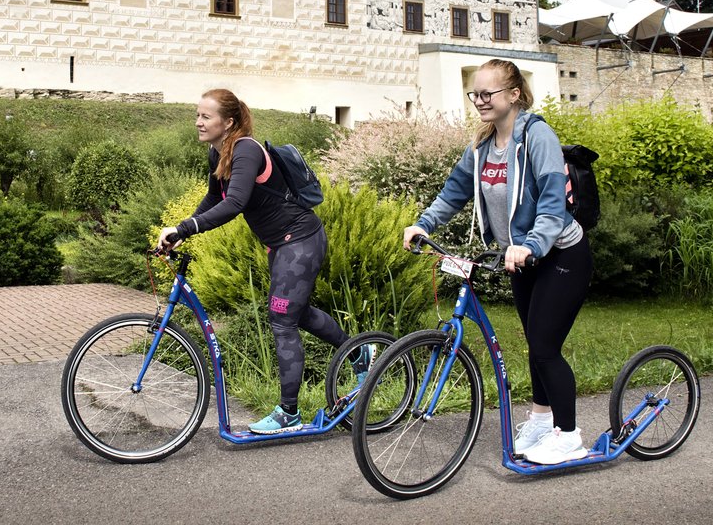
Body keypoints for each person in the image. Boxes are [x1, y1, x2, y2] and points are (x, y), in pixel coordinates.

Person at [402, 59, 593, 465]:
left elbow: (552, 202)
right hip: (521, 260)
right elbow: (453, 192)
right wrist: (423, 223)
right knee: (536, 343)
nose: (480, 101)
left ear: (514, 94)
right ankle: (542, 421)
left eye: (487, 93)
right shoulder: (483, 146)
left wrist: (531, 245)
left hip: (560, 254)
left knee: (544, 347)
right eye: (475, 94)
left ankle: (570, 436)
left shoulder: (537, 136)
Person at [157, 88, 371, 434]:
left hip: (301, 240)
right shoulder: (219, 154)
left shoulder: (246, 150)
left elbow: (236, 202)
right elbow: (216, 196)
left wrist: (185, 226)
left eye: (205, 116)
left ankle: (289, 412)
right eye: (197, 115)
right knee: (296, 313)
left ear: (228, 122)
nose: (197, 122)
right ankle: (359, 353)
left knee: (282, 319)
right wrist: (185, 233)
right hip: (281, 244)